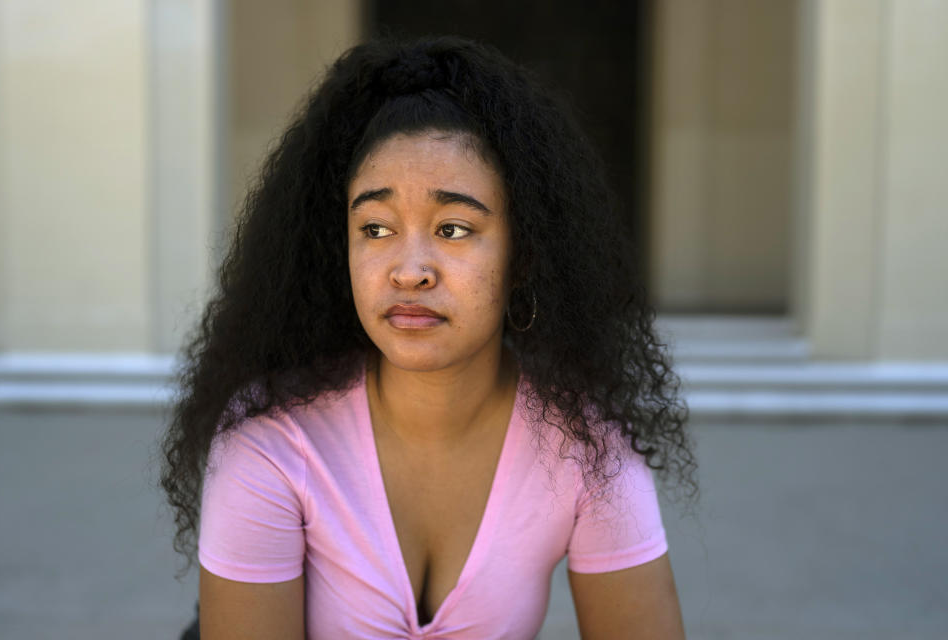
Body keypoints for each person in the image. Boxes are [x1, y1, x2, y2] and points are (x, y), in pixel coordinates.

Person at [159, 33, 697, 639]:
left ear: (524, 255)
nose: (410, 270)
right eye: (377, 228)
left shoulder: (589, 449)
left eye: (454, 227)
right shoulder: (271, 442)